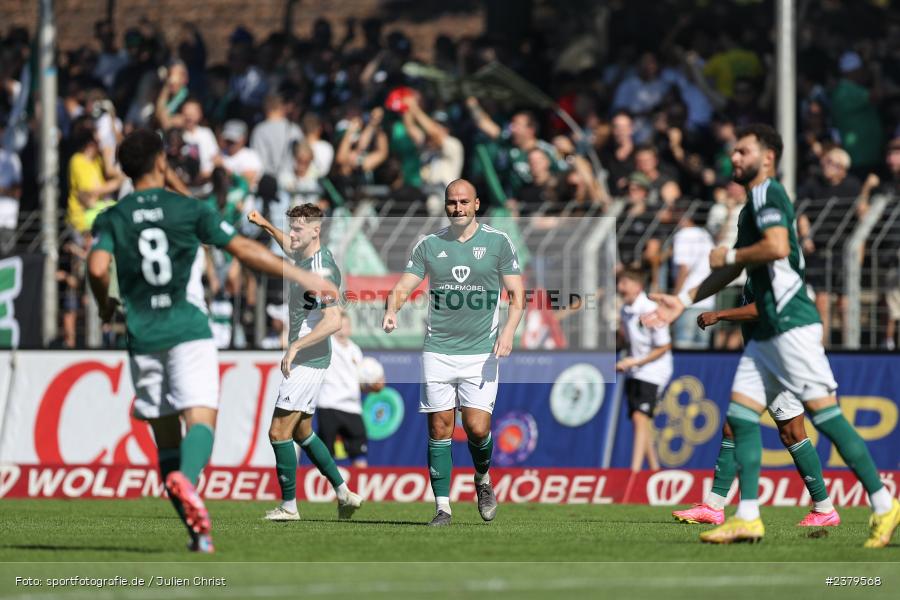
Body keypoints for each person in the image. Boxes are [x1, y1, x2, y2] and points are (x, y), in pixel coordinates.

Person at [642, 123, 899, 547]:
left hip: (790, 326)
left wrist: (730, 255)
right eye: (734, 151)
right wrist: (684, 299)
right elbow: (732, 268)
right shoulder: (750, 208)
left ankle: (883, 503)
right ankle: (745, 516)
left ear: (768, 158)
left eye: (743, 151)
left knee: (824, 418)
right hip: (766, 338)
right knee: (740, 417)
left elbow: (777, 247)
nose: (734, 158)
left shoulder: (770, 194)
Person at [86, 129, 337, 553]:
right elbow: (243, 249)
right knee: (200, 422)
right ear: (161, 162)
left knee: (167, 441)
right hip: (188, 330)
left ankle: (198, 534)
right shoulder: (188, 209)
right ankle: (188, 481)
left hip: (143, 335)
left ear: (124, 170)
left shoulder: (113, 216)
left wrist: (105, 305)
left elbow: (95, 268)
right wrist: (299, 273)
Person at [383, 178, 525, 526]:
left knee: (477, 428)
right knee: (440, 428)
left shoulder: (498, 242)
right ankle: (442, 507)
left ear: (476, 205)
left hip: (481, 353)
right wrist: (391, 310)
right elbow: (403, 286)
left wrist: (508, 331)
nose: (457, 207)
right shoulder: (429, 244)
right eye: (451, 202)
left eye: (463, 202)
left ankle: (482, 478)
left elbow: (517, 296)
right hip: (438, 351)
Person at [672, 280, 838, 528]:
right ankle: (713, 506)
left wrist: (719, 314)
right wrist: (683, 300)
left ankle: (825, 509)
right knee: (735, 426)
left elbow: (764, 308)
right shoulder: (756, 270)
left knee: (792, 433)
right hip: (765, 359)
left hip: (781, 360)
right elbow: (725, 275)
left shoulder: (775, 269)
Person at [246, 204, 363, 521]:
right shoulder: (305, 255)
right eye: (292, 228)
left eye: (298, 228)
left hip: (308, 359)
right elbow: (289, 244)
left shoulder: (320, 271)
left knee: (278, 433)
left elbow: (333, 320)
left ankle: (289, 507)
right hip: (310, 358)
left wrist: (295, 346)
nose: (293, 234)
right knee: (302, 431)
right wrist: (265, 224)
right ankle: (344, 493)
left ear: (316, 230)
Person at [615, 268, 672, 472]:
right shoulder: (625, 310)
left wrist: (637, 362)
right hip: (635, 370)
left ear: (637, 286)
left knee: (640, 417)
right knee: (640, 420)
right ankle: (654, 469)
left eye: (624, 283)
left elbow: (664, 346)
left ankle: (635, 472)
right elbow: (626, 340)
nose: (620, 288)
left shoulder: (650, 310)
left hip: (654, 371)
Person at [317, 311, 380, 467]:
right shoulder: (326, 343)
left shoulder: (355, 350)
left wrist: (372, 387)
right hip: (329, 404)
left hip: (352, 407)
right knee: (325, 455)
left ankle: (359, 482)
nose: (343, 329)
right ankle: (324, 482)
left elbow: (359, 381)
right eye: (340, 325)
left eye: (346, 325)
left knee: (359, 453)